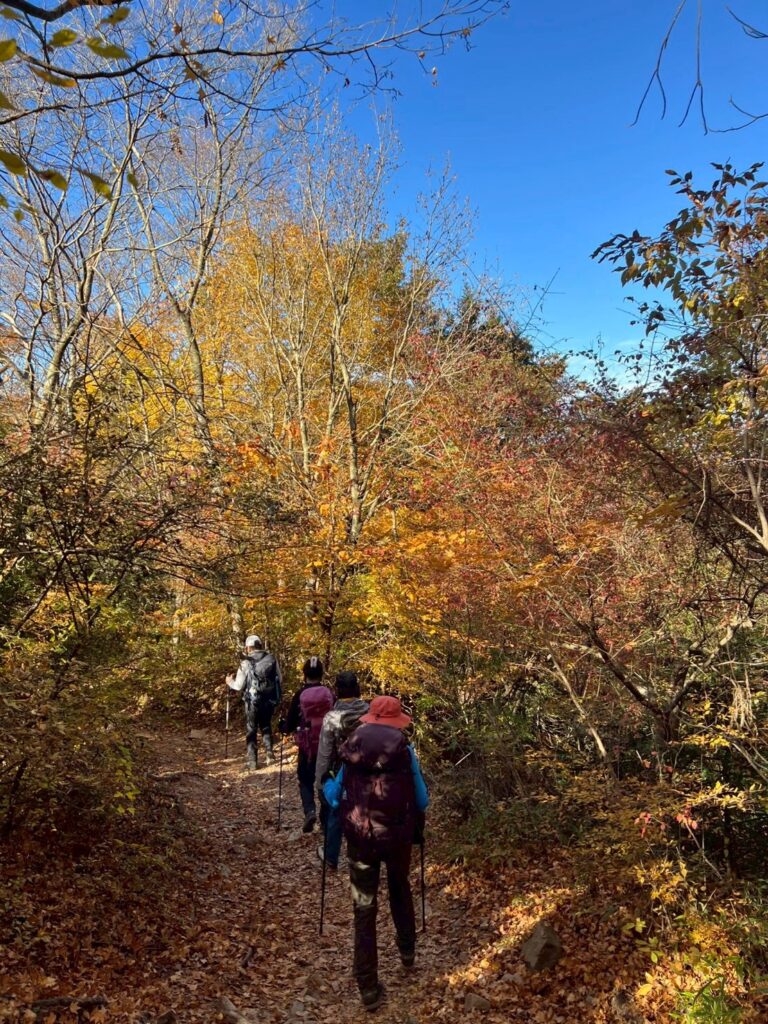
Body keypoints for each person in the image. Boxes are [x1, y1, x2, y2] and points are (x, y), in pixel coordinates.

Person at [324, 695, 429, 1012]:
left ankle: (368, 986)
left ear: (370, 718)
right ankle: (407, 949)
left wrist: (328, 785)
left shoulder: (352, 748)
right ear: (397, 721)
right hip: (397, 836)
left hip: (361, 838)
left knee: (364, 907)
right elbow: (422, 800)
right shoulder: (405, 751)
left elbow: (334, 798)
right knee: (399, 888)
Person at [315, 671, 369, 871]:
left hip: (340, 769)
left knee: (336, 809)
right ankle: (363, 855)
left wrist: (320, 782)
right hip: (366, 768)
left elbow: (324, 751)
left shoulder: (331, 717)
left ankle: (331, 856)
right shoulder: (369, 712)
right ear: (357, 688)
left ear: (337, 691)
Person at [282, 656, 333, 833]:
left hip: (307, 746)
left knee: (305, 779)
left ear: (304, 674)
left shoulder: (299, 694)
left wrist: (284, 727)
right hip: (327, 744)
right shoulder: (329, 693)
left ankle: (310, 811)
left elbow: (290, 723)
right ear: (321, 673)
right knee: (326, 779)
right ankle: (326, 820)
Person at [225, 635, 282, 770]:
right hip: (268, 700)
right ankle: (269, 754)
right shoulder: (271, 659)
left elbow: (238, 686)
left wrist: (229, 682)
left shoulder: (245, 662)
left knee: (251, 728)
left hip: (252, 701)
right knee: (266, 725)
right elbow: (279, 679)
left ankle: (252, 762)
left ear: (249, 647)